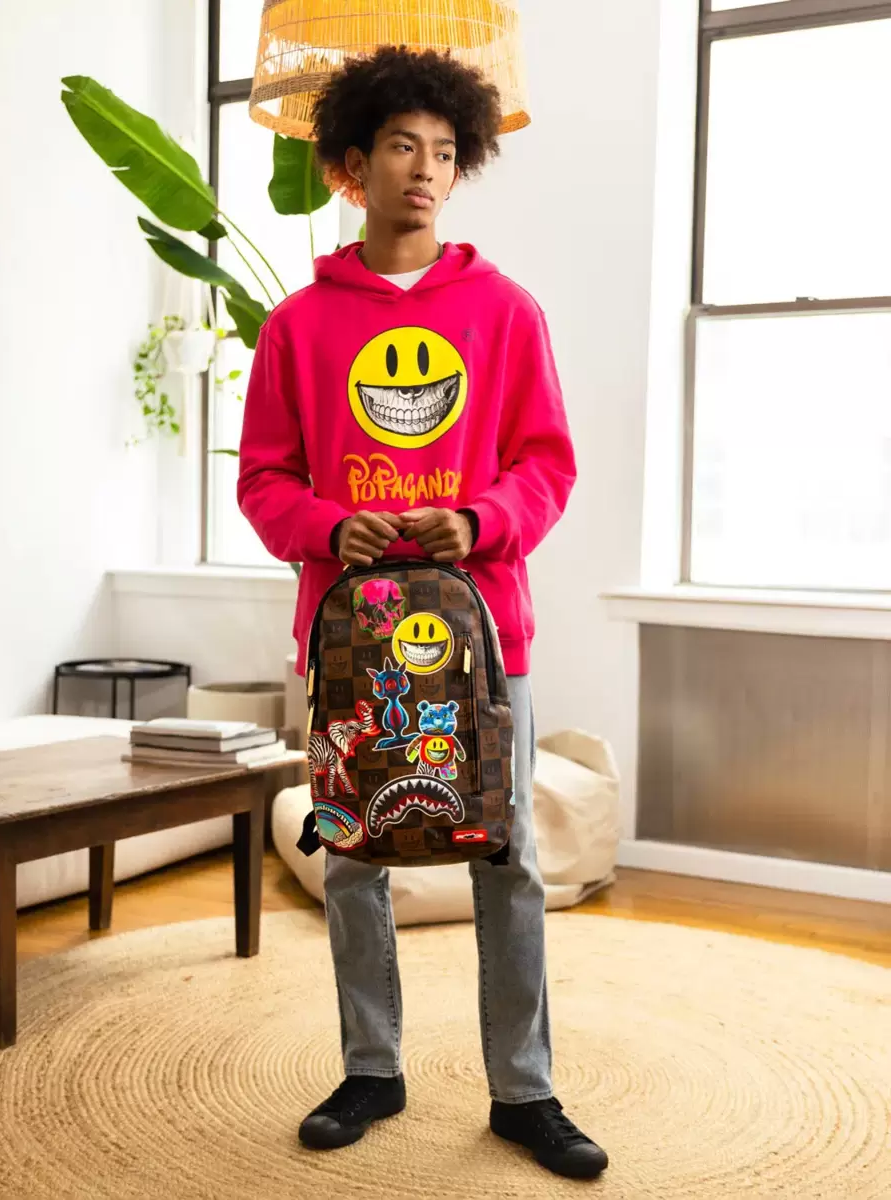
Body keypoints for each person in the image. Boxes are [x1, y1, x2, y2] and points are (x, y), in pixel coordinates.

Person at [237, 45, 608, 1181]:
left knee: (508, 851)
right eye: (403, 146)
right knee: (353, 853)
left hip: (486, 637)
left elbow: (546, 464)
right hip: (350, 643)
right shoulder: (298, 327)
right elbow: (264, 480)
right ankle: (372, 1068)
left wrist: (482, 519)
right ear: (353, 165)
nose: (427, 170)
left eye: (446, 152)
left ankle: (525, 1092)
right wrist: (324, 524)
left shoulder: (507, 313)